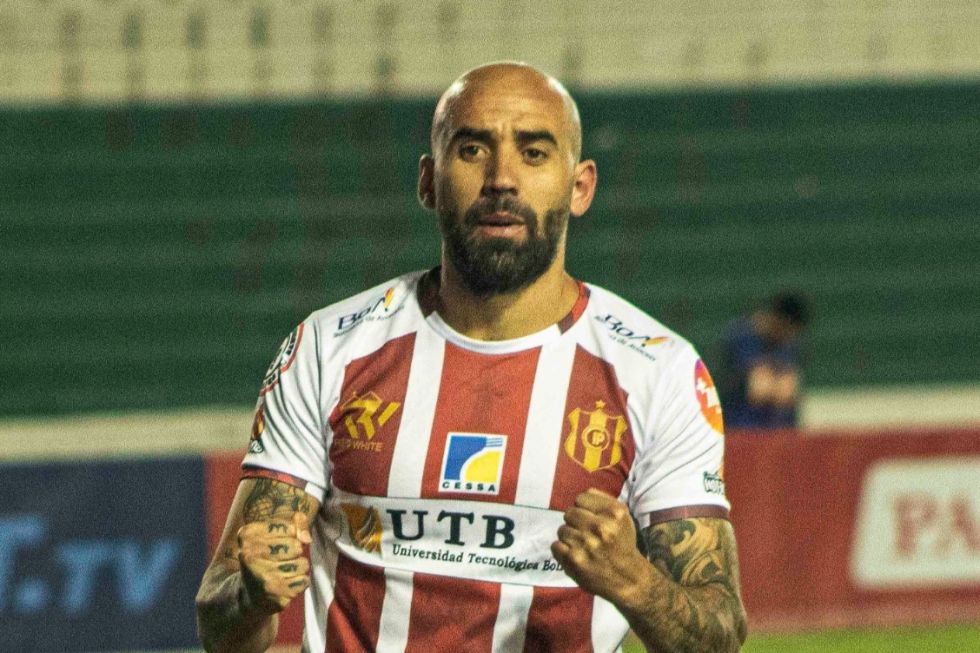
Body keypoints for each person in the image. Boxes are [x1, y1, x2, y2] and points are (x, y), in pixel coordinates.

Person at [195, 61, 747, 653]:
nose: (501, 178)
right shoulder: (329, 348)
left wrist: (636, 583)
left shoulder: (658, 371)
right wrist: (249, 595)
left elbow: (719, 634)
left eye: (534, 153)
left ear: (580, 186)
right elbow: (221, 626)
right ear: (429, 181)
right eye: (473, 150)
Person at [716, 292, 810, 429]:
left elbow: (788, 390)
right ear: (778, 320)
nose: (790, 337)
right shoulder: (742, 336)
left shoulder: (789, 344)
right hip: (741, 427)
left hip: (780, 430)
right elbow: (759, 389)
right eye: (788, 331)